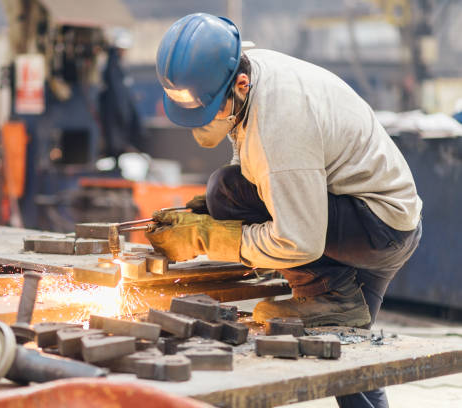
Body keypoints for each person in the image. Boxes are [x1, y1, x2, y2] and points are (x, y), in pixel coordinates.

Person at [145, 13, 422, 408]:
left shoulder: (278, 121)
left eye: (208, 110)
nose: (204, 122)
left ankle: (331, 296)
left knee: (226, 192)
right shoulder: (251, 75)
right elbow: (265, 174)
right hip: (371, 215)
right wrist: (211, 211)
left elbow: (299, 239)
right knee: (345, 358)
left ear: (240, 84)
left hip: (376, 228)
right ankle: (336, 304)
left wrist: (208, 236)